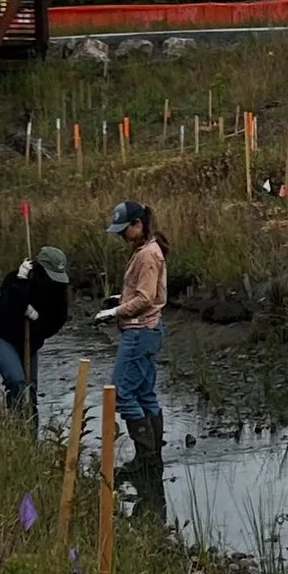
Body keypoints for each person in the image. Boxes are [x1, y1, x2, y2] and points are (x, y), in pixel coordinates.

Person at [99, 200, 168, 472]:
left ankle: (146, 458)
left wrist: (114, 312)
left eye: (123, 230)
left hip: (139, 331)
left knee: (121, 393)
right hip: (148, 330)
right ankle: (153, 459)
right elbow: (146, 292)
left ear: (137, 224)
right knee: (144, 393)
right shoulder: (146, 249)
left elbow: (146, 298)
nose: (120, 236)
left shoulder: (147, 254)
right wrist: (118, 299)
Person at [0, 248, 69, 412]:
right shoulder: (16, 278)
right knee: (17, 383)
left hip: (30, 344)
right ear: (40, 268)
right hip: (2, 338)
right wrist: (21, 284)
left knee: (30, 392)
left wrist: (37, 321)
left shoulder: (59, 290)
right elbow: (4, 310)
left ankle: (30, 435)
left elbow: (58, 321)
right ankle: (15, 429)